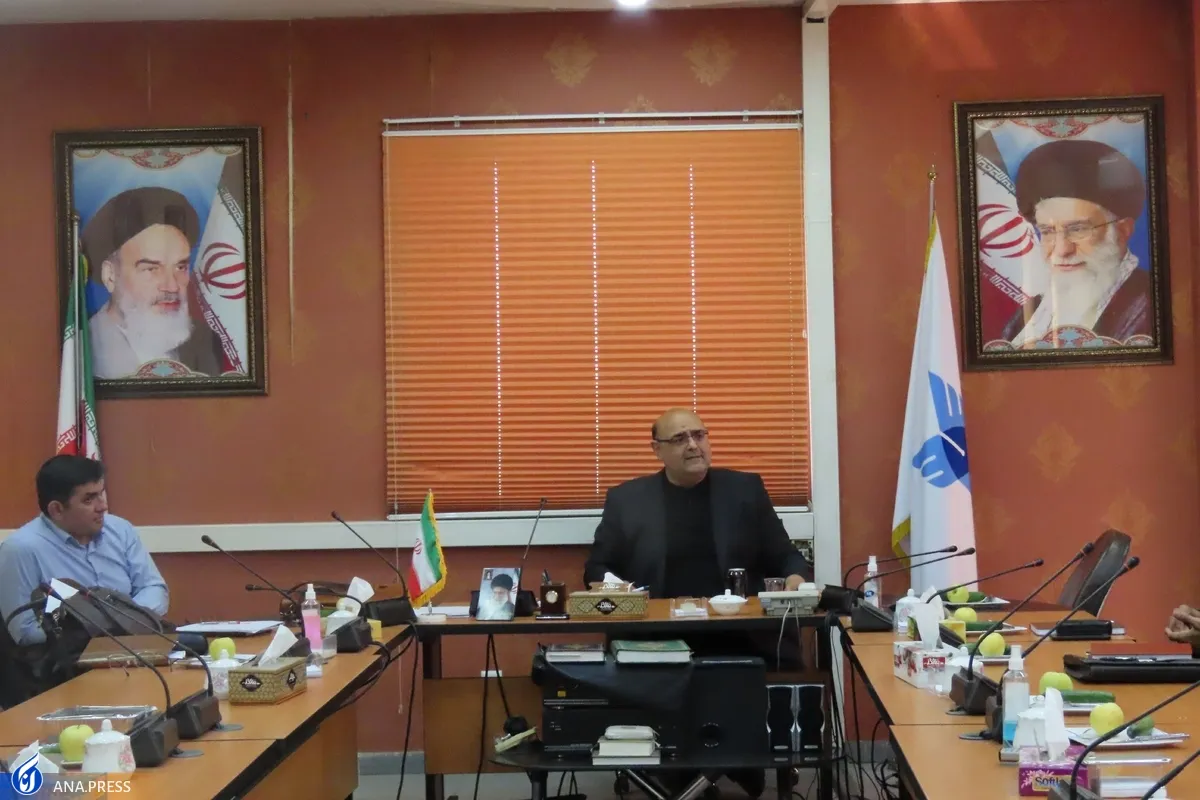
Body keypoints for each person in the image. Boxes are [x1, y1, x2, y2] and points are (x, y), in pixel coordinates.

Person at [584, 407, 812, 597]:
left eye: (699, 435)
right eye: (680, 439)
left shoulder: (745, 490)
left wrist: (795, 578)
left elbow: (786, 557)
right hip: (656, 626)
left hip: (737, 624)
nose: (693, 445)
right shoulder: (626, 500)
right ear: (657, 450)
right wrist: (621, 590)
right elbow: (597, 569)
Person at [0, 455, 169, 646]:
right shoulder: (20, 550)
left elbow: (154, 588)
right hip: (68, 659)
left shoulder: (120, 530)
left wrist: (124, 622)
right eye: (89, 499)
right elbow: (25, 631)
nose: (103, 506)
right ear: (57, 510)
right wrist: (91, 631)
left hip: (137, 644)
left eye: (101, 494)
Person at [1004, 139, 1152, 347]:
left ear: (1122, 231)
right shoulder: (1031, 311)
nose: (1061, 250)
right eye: (1047, 231)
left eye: (1078, 229)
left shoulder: (1152, 303)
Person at [83, 186, 223, 379]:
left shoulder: (206, 342)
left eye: (180, 267)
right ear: (110, 276)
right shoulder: (83, 348)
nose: (172, 286)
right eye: (151, 269)